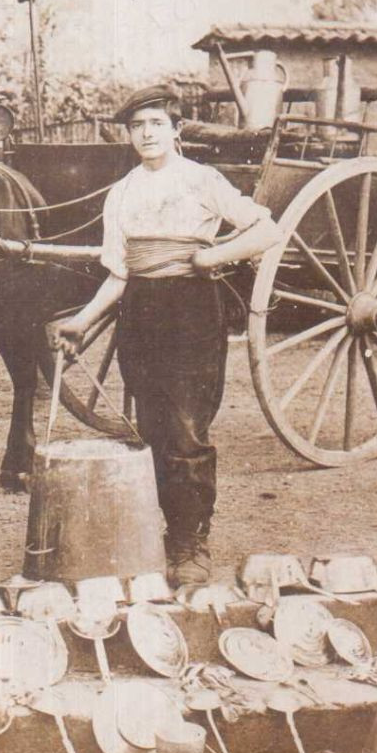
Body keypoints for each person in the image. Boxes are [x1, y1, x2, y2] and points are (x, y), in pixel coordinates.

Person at [55, 85, 282, 586]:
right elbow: (119, 274)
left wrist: (211, 257)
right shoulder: (123, 192)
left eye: (157, 124)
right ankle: (166, 536)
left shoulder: (202, 180)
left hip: (193, 311)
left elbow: (266, 230)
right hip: (141, 314)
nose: (147, 134)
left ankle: (191, 544)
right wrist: (82, 321)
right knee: (153, 431)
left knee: (187, 431)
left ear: (176, 130)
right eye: (138, 127)